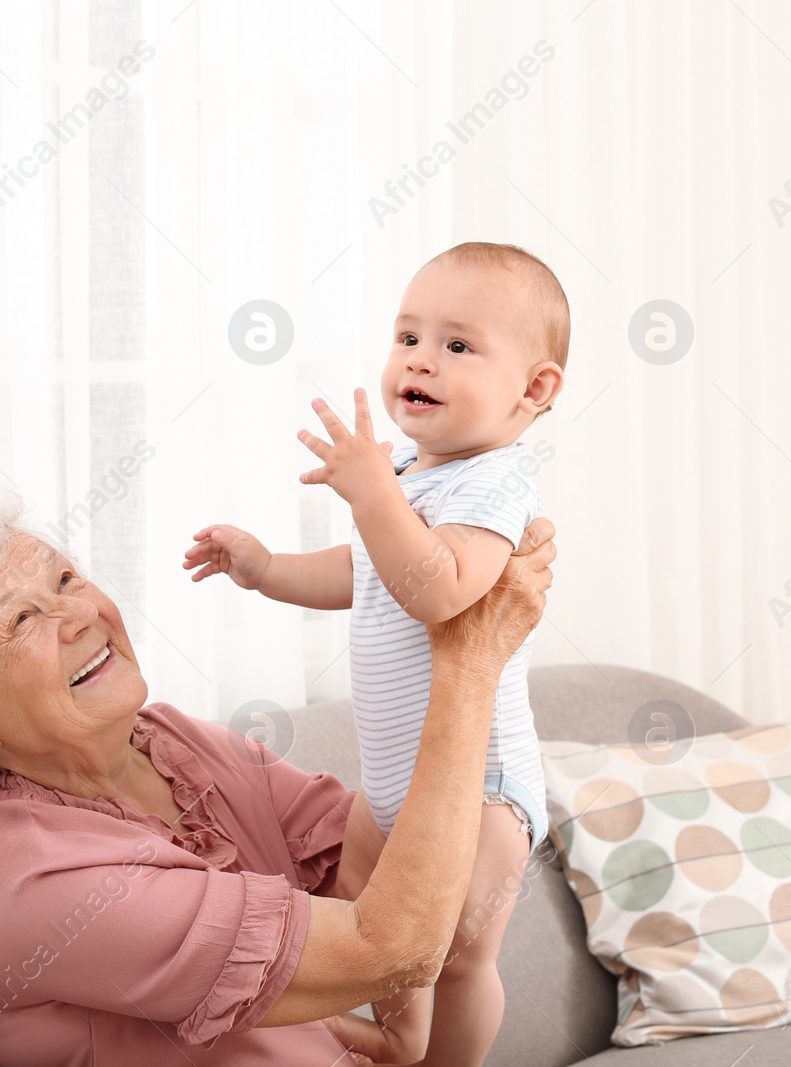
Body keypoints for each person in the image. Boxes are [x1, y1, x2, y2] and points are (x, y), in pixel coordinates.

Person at [0, 484, 555, 1065]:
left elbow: (379, 870)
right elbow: (391, 947)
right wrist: (468, 662)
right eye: (22, 618)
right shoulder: (37, 883)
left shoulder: (168, 740)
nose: (77, 614)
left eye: (64, 577)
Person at [183, 242, 568, 1065]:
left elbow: (437, 588)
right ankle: (401, 1035)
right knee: (372, 923)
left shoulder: (494, 483)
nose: (421, 361)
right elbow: (366, 573)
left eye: (458, 346)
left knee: (457, 957)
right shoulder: (407, 470)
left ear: (533, 390)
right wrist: (266, 570)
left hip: (482, 790)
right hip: (396, 783)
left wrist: (373, 494)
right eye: (408, 337)